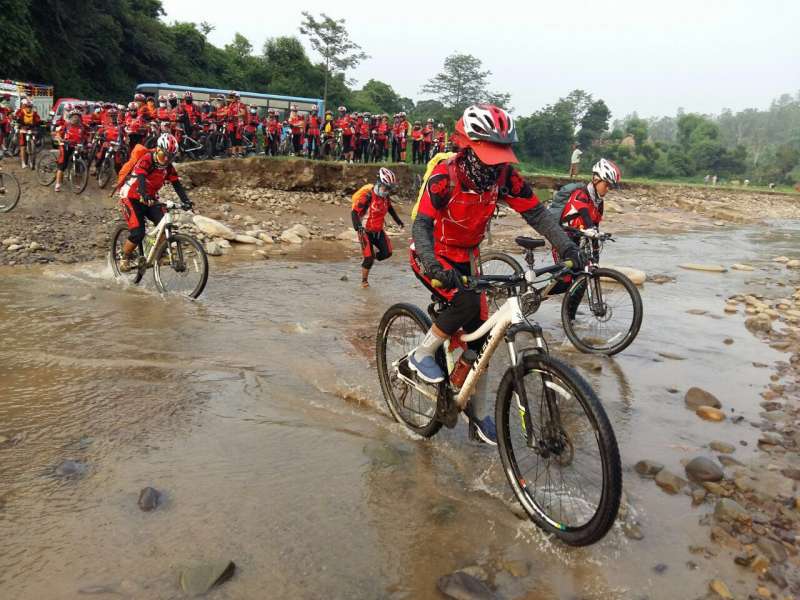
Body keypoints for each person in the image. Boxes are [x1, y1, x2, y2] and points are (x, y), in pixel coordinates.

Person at [408, 104, 581, 444]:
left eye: (502, 155)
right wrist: (431, 263)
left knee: (484, 340)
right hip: (434, 254)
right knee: (467, 303)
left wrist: (568, 247)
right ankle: (422, 353)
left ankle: (478, 413)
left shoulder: (504, 177)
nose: (496, 164)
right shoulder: (445, 175)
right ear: (468, 149)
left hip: (469, 255)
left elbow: (538, 215)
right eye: (489, 155)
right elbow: (422, 225)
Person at [117, 133, 193, 272]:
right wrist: (143, 193)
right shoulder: (147, 159)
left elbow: (176, 183)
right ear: (158, 149)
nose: (167, 160)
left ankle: (160, 253)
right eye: (165, 155)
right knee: (138, 232)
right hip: (131, 196)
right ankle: (124, 257)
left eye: (171, 157)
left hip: (150, 198)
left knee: (164, 224)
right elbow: (140, 176)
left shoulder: (168, 167)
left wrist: (186, 201)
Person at [351, 167, 404, 288]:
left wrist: (398, 221)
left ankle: (370, 257)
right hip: (364, 231)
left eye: (389, 189)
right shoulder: (368, 196)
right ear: (379, 183)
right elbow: (354, 212)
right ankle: (364, 281)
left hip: (378, 230)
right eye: (386, 188)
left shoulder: (385, 197)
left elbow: (390, 208)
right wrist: (357, 227)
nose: (387, 191)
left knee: (387, 253)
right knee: (369, 259)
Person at [54, 109, 87, 192]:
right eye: (74, 116)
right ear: (71, 117)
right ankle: (58, 184)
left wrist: (87, 143)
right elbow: (58, 133)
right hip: (66, 146)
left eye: (77, 117)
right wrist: (60, 139)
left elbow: (86, 137)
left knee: (78, 164)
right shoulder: (66, 125)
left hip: (76, 147)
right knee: (62, 164)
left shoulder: (82, 127)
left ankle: (77, 183)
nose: (76, 118)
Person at [14, 98, 42, 168]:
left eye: (30, 107)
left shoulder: (34, 113)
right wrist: (17, 121)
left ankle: (32, 158)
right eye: (27, 107)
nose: (29, 108)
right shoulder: (21, 112)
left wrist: (40, 122)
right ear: (25, 107)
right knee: (23, 145)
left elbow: (38, 119)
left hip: (31, 129)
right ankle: (23, 162)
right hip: (23, 128)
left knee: (36, 135)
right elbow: (17, 117)